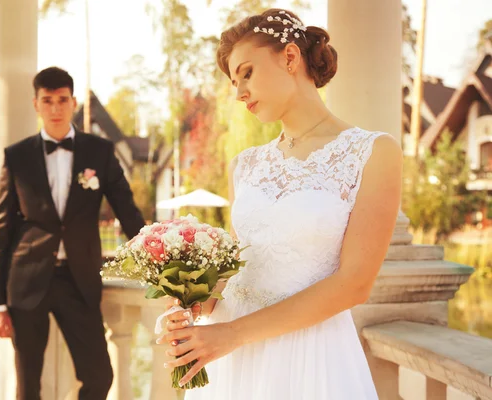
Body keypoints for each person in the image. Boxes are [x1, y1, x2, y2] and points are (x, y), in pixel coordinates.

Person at [158, 8, 402, 399]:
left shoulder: (373, 152)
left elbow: (355, 284)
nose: (239, 93)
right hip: (229, 357)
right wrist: (192, 305)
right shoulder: (245, 165)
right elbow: (236, 271)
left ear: (290, 58)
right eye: (234, 82)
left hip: (309, 357)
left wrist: (230, 335)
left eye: (247, 73)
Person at [0, 66, 146, 400]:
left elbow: (126, 209)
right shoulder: (17, 157)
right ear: (36, 105)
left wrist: (160, 253)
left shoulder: (99, 152)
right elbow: (0, 228)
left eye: (62, 100)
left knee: (99, 376)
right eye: (48, 101)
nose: (55, 108)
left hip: (79, 279)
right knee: (27, 384)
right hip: (26, 280)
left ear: (73, 102)